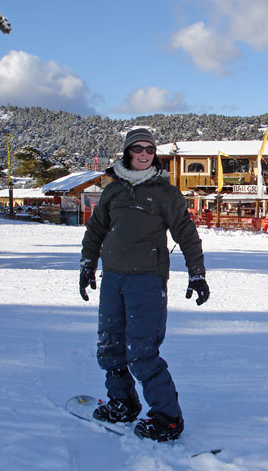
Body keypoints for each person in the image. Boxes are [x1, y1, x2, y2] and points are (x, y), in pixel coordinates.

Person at [79, 128, 209, 443]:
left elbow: (186, 234)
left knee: (141, 352)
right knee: (110, 346)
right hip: (113, 277)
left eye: (149, 149)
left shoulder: (165, 193)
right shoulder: (113, 192)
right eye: (137, 148)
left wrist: (197, 273)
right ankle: (122, 403)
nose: (143, 154)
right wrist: (87, 266)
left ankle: (167, 419)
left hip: (147, 282)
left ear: (154, 155)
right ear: (127, 152)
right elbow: (96, 230)